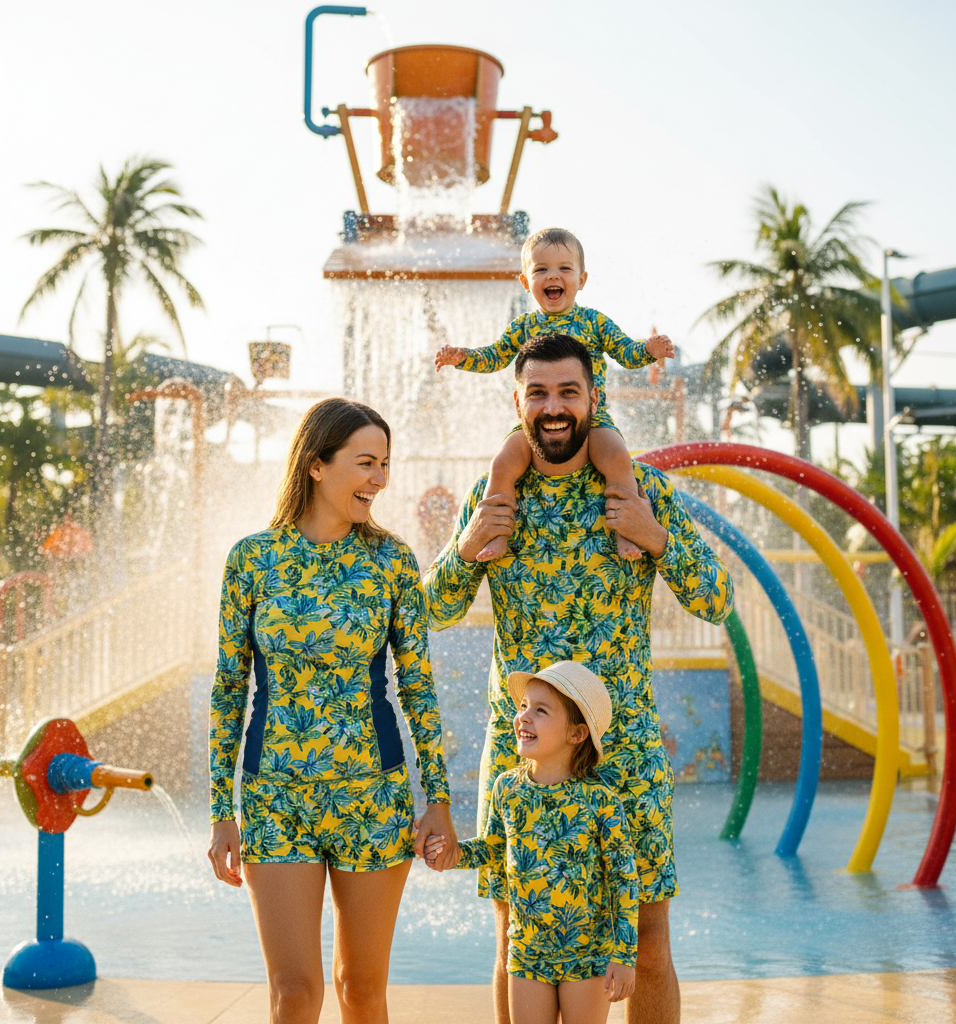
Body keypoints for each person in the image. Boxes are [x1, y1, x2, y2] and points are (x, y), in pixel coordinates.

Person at [423, 334, 734, 1024]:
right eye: (538, 393)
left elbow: (717, 597)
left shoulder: (642, 489)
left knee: (647, 945)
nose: (554, 407)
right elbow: (433, 612)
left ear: (595, 399)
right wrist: (470, 544)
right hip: (522, 753)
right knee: (515, 942)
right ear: (518, 403)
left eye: (569, 392)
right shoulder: (494, 495)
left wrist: (655, 537)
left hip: (623, 756)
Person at [207, 398, 458, 1024]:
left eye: (385, 464)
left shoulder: (393, 561)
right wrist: (220, 811)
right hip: (275, 798)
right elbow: (228, 689)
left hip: (373, 798)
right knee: (294, 994)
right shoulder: (252, 560)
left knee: (361, 990)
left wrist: (440, 800)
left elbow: (418, 687)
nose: (380, 479)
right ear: (317, 465)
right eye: (366, 463)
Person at [433, 225, 675, 562]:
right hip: (538, 422)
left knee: (618, 458)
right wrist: (463, 358)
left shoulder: (594, 322)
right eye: (541, 269)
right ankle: (496, 534)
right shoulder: (524, 326)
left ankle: (626, 530)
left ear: (582, 279)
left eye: (564, 268)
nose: (553, 276)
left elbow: (625, 352)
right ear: (525, 281)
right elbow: (495, 356)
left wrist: (649, 349)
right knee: (503, 463)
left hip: (593, 419)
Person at [425, 660, 639, 1024]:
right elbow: (494, 848)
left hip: (586, 955)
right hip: (526, 952)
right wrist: (454, 853)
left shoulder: (600, 801)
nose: (523, 717)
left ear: (576, 734)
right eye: (523, 706)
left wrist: (624, 956)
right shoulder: (507, 789)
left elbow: (624, 880)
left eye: (540, 711)